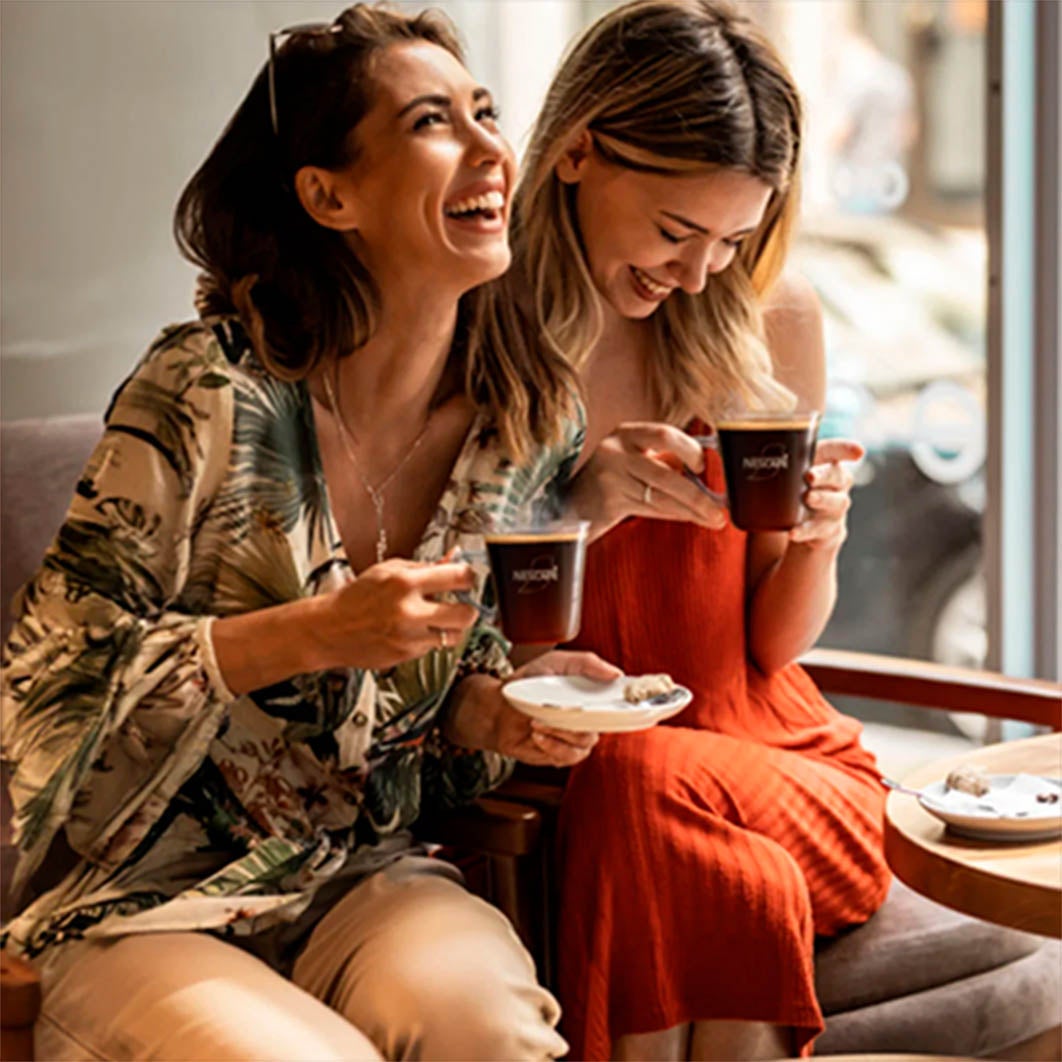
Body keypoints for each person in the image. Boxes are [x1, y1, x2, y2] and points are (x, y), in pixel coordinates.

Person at [0, 6, 617, 1060]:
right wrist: (314, 632)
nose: (489, 151)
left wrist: (495, 716)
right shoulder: (203, 392)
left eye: (487, 114)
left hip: (357, 880)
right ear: (330, 195)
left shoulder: (521, 424)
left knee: (488, 1028)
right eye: (434, 122)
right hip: (139, 902)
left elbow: (429, 722)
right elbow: (45, 703)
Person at [482, 1, 892, 1058]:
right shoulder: (478, 323)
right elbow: (457, 636)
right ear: (577, 150)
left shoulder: (770, 318)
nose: (702, 273)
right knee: (662, 815)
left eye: (734, 240)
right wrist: (576, 508)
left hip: (782, 768)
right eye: (676, 232)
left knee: (638, 780)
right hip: (557, 767)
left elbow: (773, 650)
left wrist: (819, 541)